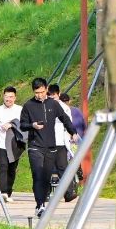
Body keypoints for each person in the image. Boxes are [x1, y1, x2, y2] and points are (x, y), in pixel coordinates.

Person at [19, 78, 78, 217]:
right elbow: (22, 124)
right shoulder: (28, 105)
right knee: (37, 174)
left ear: (46, 89)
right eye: (36, 92)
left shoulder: (54, 104)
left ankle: (42, 202)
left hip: (51, 146)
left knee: (46, 176)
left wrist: (73, 132)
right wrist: (32, 125)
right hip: (35, 146)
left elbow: (65, 118)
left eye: (41, 92)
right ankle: (40, 205)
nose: (39, 95)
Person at [0, 86, 23, 200]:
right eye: (7, 96)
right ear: (3, 96)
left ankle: (8, 191)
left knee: (12, 169)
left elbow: (24, 125)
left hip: (15, 145)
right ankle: (3, 192)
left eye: (11, 97)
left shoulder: (20, 110)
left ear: (15, 98)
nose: (9, 99)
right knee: (3, 166)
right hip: (1, 145)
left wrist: (12, 125)